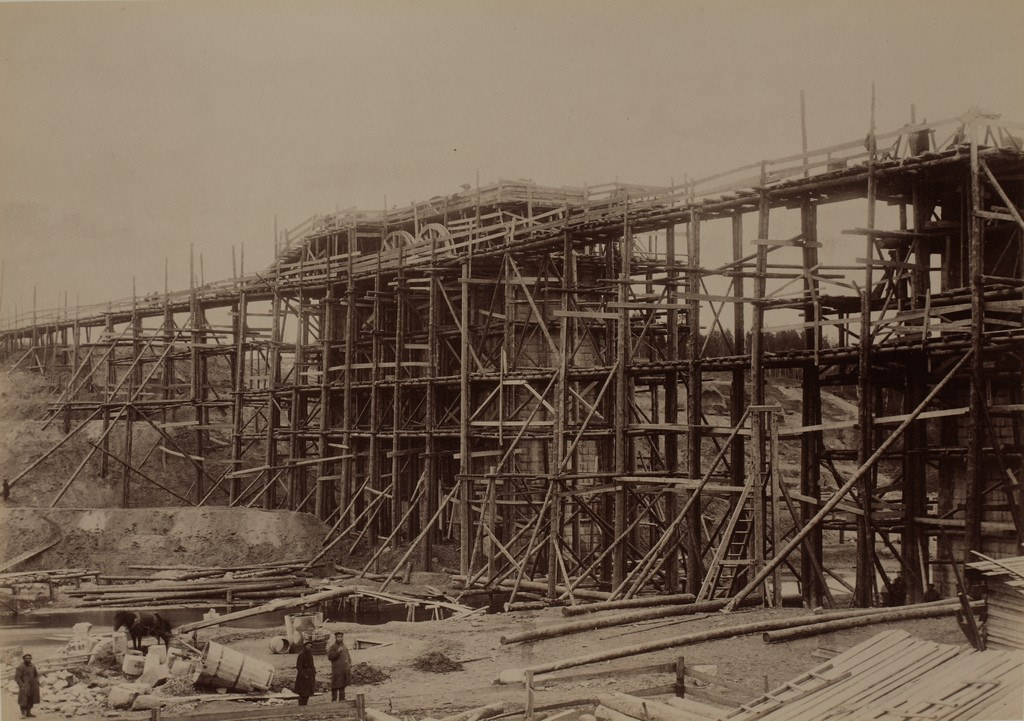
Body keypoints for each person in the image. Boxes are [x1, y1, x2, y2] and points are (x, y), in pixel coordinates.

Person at [327, 631, 352, 701]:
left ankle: (342, 699)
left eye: (341, 637)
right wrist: (337, 651)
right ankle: (334, 700)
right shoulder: (333, 646)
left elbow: (348, 655)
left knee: (342, 684)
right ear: (335, 638)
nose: (340, 638)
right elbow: (330, 657)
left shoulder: (344, 646)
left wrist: (349, 664)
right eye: (338, 637)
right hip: (337, 670)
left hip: (344, 669)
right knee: (335, 685)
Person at [15, 653, 40, 718]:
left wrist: (36, 681)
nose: (28, 659)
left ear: (31, 659)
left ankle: (28, 713)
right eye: (26, 658)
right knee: (23, 700)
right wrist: (22, 685)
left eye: (29, 658)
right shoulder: (20, 667)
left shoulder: (33, 666)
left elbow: (36, 674)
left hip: (32, 685)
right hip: (24, 685)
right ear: (23, 659)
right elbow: (17, 677)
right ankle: (23, 714)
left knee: (31, 699)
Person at [294, 642, 316, 706]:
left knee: (307, 693)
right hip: (303, 677)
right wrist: (304, 675)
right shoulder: (301, 655)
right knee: (302, 693)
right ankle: (301, 706)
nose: (309, 647)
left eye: (310, 646)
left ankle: (305, 705)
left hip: (310, 676)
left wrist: (314, 672)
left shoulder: (310, 654)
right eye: (308, 646)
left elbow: (312, 665)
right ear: (305, 646)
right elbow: (299, 666)